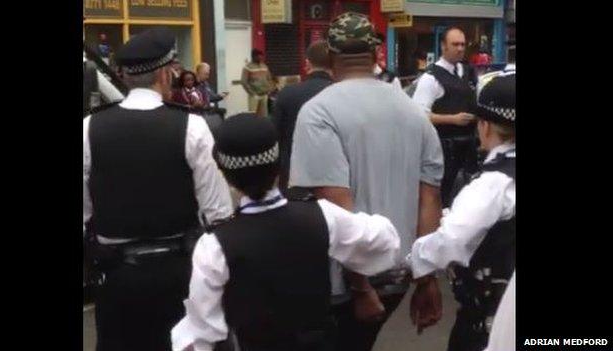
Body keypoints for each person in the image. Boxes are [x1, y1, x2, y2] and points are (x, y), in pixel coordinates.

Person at [171, 113, 403, 351]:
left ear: (225, 175)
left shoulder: (215, 245)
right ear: (279, 165)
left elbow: (203, 332)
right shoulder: (322, 216)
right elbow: (386, 242)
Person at [289, 12, 444, 351]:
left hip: (346, 282)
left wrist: (360, 287)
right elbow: (429, 199)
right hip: (397, 274)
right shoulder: (415, 114)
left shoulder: (318, 112)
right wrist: (426, 277)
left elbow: (336, 208)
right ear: (376, 55)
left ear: (330, 57)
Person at [83, 28, 234, 351]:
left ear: (123, 75)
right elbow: (218, 213)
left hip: (117, 276)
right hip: (180, 271)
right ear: (166, 74)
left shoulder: (88, 128)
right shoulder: (193, 126)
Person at [406, 71, 516, 351]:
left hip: (493, 319)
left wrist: (412, 259)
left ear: (486, 126)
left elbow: (450, 241)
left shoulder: (492, 184)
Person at [412, 27, 480, 208]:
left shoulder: (468, 72)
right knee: (440, 198)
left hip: (469, 148)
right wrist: (452, 119)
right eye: (455, 44)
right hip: (443, 148)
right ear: (443, 46)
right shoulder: (430, 78)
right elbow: (418, 115)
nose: (460, 48)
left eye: (463, 44)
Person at [272, 40, 333, 190]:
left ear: (307, 64)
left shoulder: (287, 94)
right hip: (334, 178)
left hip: (294, 175)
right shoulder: (341, 93)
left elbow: (275, 136)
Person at [241, 49, 274, 117]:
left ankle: (263, 127)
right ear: (253, 56)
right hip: (254, 96)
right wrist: (252, 93)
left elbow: (269, 78)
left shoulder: (264, 66)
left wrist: (269, 89)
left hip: (264, 95)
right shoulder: (248, 67)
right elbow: (244, 82)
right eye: (258, 56)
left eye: (261, 56)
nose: (261, 57)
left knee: (264, 116)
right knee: (253, 115)